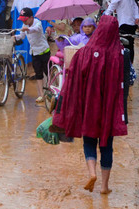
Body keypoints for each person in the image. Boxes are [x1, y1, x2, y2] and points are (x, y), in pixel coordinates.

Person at [52, 15, 127, 195]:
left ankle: (92, 173)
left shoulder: (83, 53)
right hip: (109, 107)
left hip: (88, 105)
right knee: (107, 144)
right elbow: (127, 81)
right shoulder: (121, 54)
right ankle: (104, 186)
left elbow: (72, 80)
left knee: (89, 141)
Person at [17, 7, 50, 104]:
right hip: (35, 53)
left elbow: (35, 29)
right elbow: (22, 36)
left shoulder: (37, 23)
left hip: (44, 51)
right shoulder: (24, 25)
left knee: (48, 72)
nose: (24, 22)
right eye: (23, 20)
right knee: (38, 74)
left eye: (25, 20)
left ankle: (52, 91)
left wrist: (27, 29)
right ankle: (41, 95)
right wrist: (15, 36)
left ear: (31, 17)